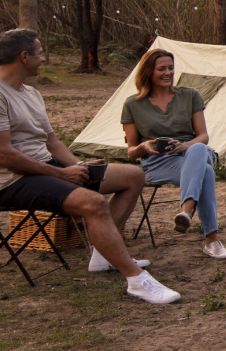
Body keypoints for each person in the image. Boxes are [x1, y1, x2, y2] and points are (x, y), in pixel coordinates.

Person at [0, 29, 181, 304]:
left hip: (47, 165)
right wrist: (61, 174)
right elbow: (5, 156)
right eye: (39, 52)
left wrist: (77, 166)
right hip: (12, 179)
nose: (44, 58)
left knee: (133, 175)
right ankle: (136, 280)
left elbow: (52, 142)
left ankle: (102, 253)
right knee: (94, 203)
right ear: (24, 57)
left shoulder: (31, 93)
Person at [121, 49, 226, 259]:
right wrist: (145, 147)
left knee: (198, 149)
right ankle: (211, 239)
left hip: (191, 153)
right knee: (206, 172)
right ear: (148, 71)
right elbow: (131, 152)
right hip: (157, 163)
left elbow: (203, 136)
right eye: (161, 68)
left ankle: (186, 211)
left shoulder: (190, 95)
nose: (167, 72)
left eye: (170, 68)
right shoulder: (132, 104)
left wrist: (184, 146)